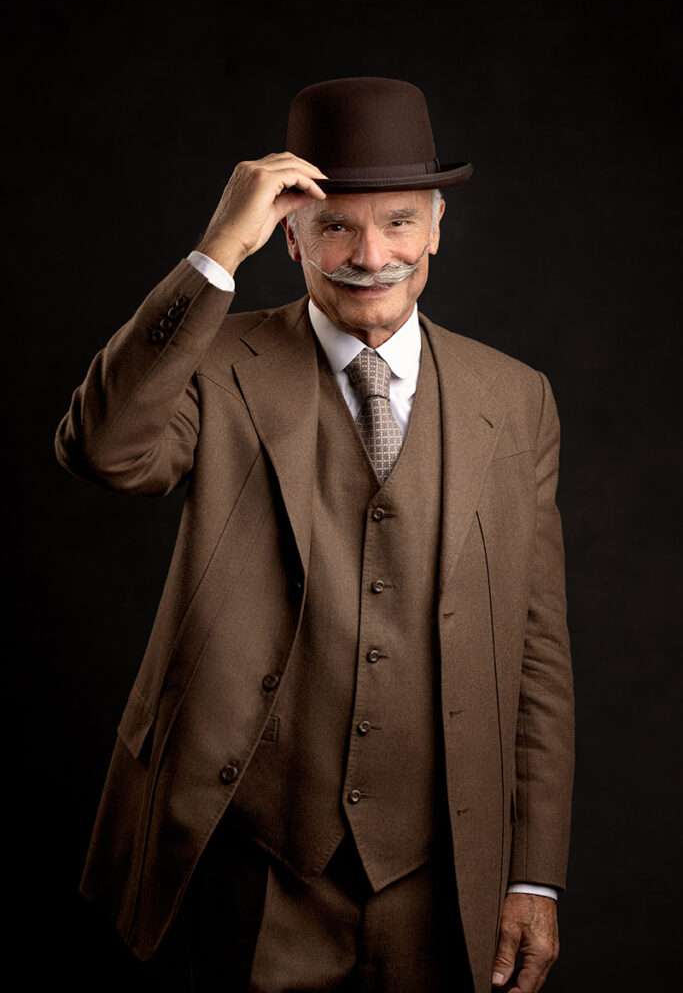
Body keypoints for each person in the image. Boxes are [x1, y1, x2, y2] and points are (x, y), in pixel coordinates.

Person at [54, 76, 574, 993]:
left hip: (436, 873)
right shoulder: (215, 363)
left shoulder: (516, 396)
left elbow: (536, 651)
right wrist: (219, 248)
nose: (370, 255)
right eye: (334, 225)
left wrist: (531, 871)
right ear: (288, 233)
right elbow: (102, 452)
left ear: (438, 228)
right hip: (237, 856)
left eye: (400, 223)